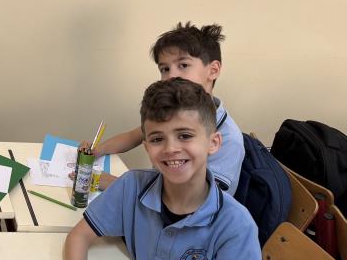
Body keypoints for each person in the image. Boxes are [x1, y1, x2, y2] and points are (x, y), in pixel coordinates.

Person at [57, 78, 262, 260]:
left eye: (185, 135)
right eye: (157, 139)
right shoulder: (132, 186)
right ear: (146, 146)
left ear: (213, 142)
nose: (170, 149)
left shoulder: (236, 225)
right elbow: (80, 235)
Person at [90, 22, 244, 195]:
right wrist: (95, 151)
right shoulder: (172, 113)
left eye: (183, 65)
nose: (171, 76)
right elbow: (133, 136)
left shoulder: (229, 139)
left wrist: (118, 183)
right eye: (165, 69)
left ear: (213, 70)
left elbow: (196, 200)